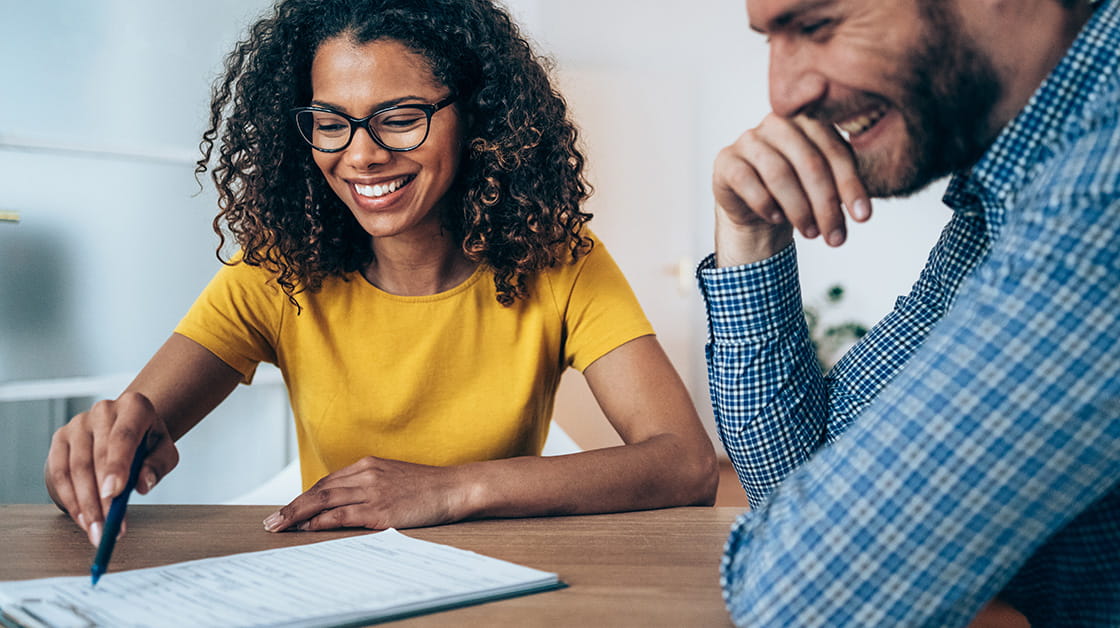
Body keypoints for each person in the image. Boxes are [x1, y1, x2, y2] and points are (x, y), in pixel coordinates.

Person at [45, 0, 717, 547]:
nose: (361, 156)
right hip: (337, 579)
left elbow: (685, 463)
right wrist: (92, 454)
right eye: (330, 123)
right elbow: (131, 431)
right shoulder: (277, 272)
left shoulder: (558, 262)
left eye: (399, 118)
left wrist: (450, 488)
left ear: (475, 116)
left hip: (506, 577)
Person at [702, 0, 1119, 625]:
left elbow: (808, 602)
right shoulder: (1011, 191)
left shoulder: (1100, 193)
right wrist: (749, 235)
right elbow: (794, 479)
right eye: (771, 39)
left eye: (817, 26)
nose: (783, 96)